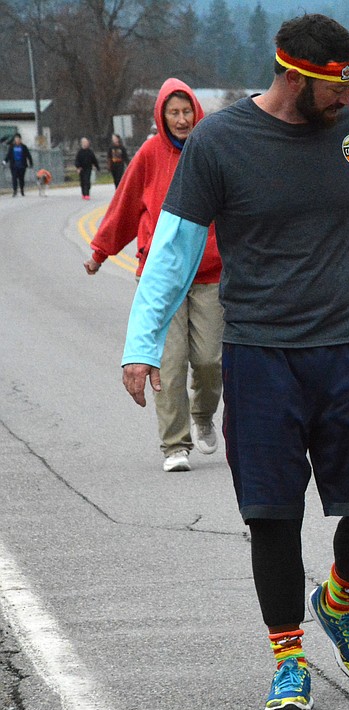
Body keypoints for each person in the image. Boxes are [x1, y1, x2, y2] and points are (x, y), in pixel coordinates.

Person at [119, 13, 349, 710]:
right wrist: (141, 345)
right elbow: (172, 250)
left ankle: (339, 599)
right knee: (272, 514)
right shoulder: (219, 143)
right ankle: (288, 659)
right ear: (296, 77)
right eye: (336, 84)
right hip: (260, 351)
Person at [87, 79, 224, 473]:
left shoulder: (211, 150)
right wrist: (100, 252)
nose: (182, 120)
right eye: (173, 113)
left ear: (196, 112)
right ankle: (174, 444)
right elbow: (126, 205)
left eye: (187, 112)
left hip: (210, 272)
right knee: (169, 361)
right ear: (162, 117)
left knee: (210, 359)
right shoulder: (150, 153)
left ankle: (201, 415)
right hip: (161, 278)